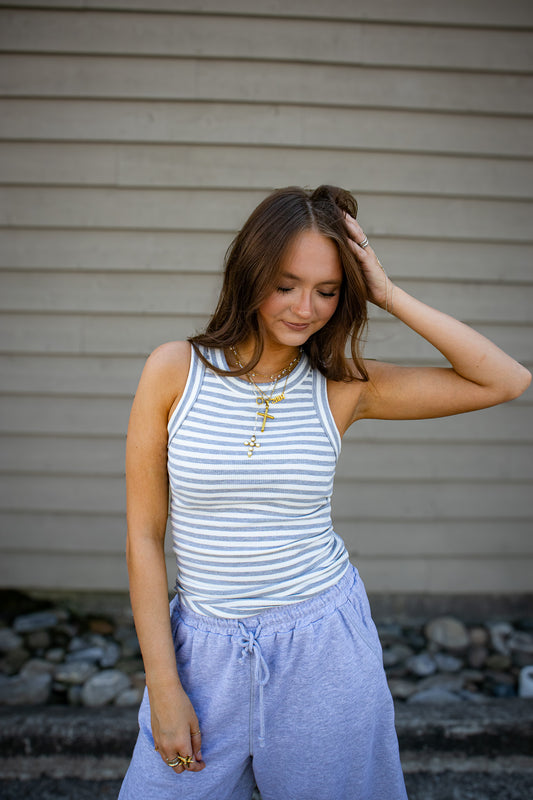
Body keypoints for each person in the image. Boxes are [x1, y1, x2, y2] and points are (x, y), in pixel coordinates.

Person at [118, 185, 530, 800]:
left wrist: (386, 292)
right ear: (250, 274)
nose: (304, 308)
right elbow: (145, 537)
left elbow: (505, 380)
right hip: (202, 653)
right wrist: (165, 685)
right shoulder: (174, 371)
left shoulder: (341, 387)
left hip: (322, 650)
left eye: (328, 290)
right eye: (285, 284)